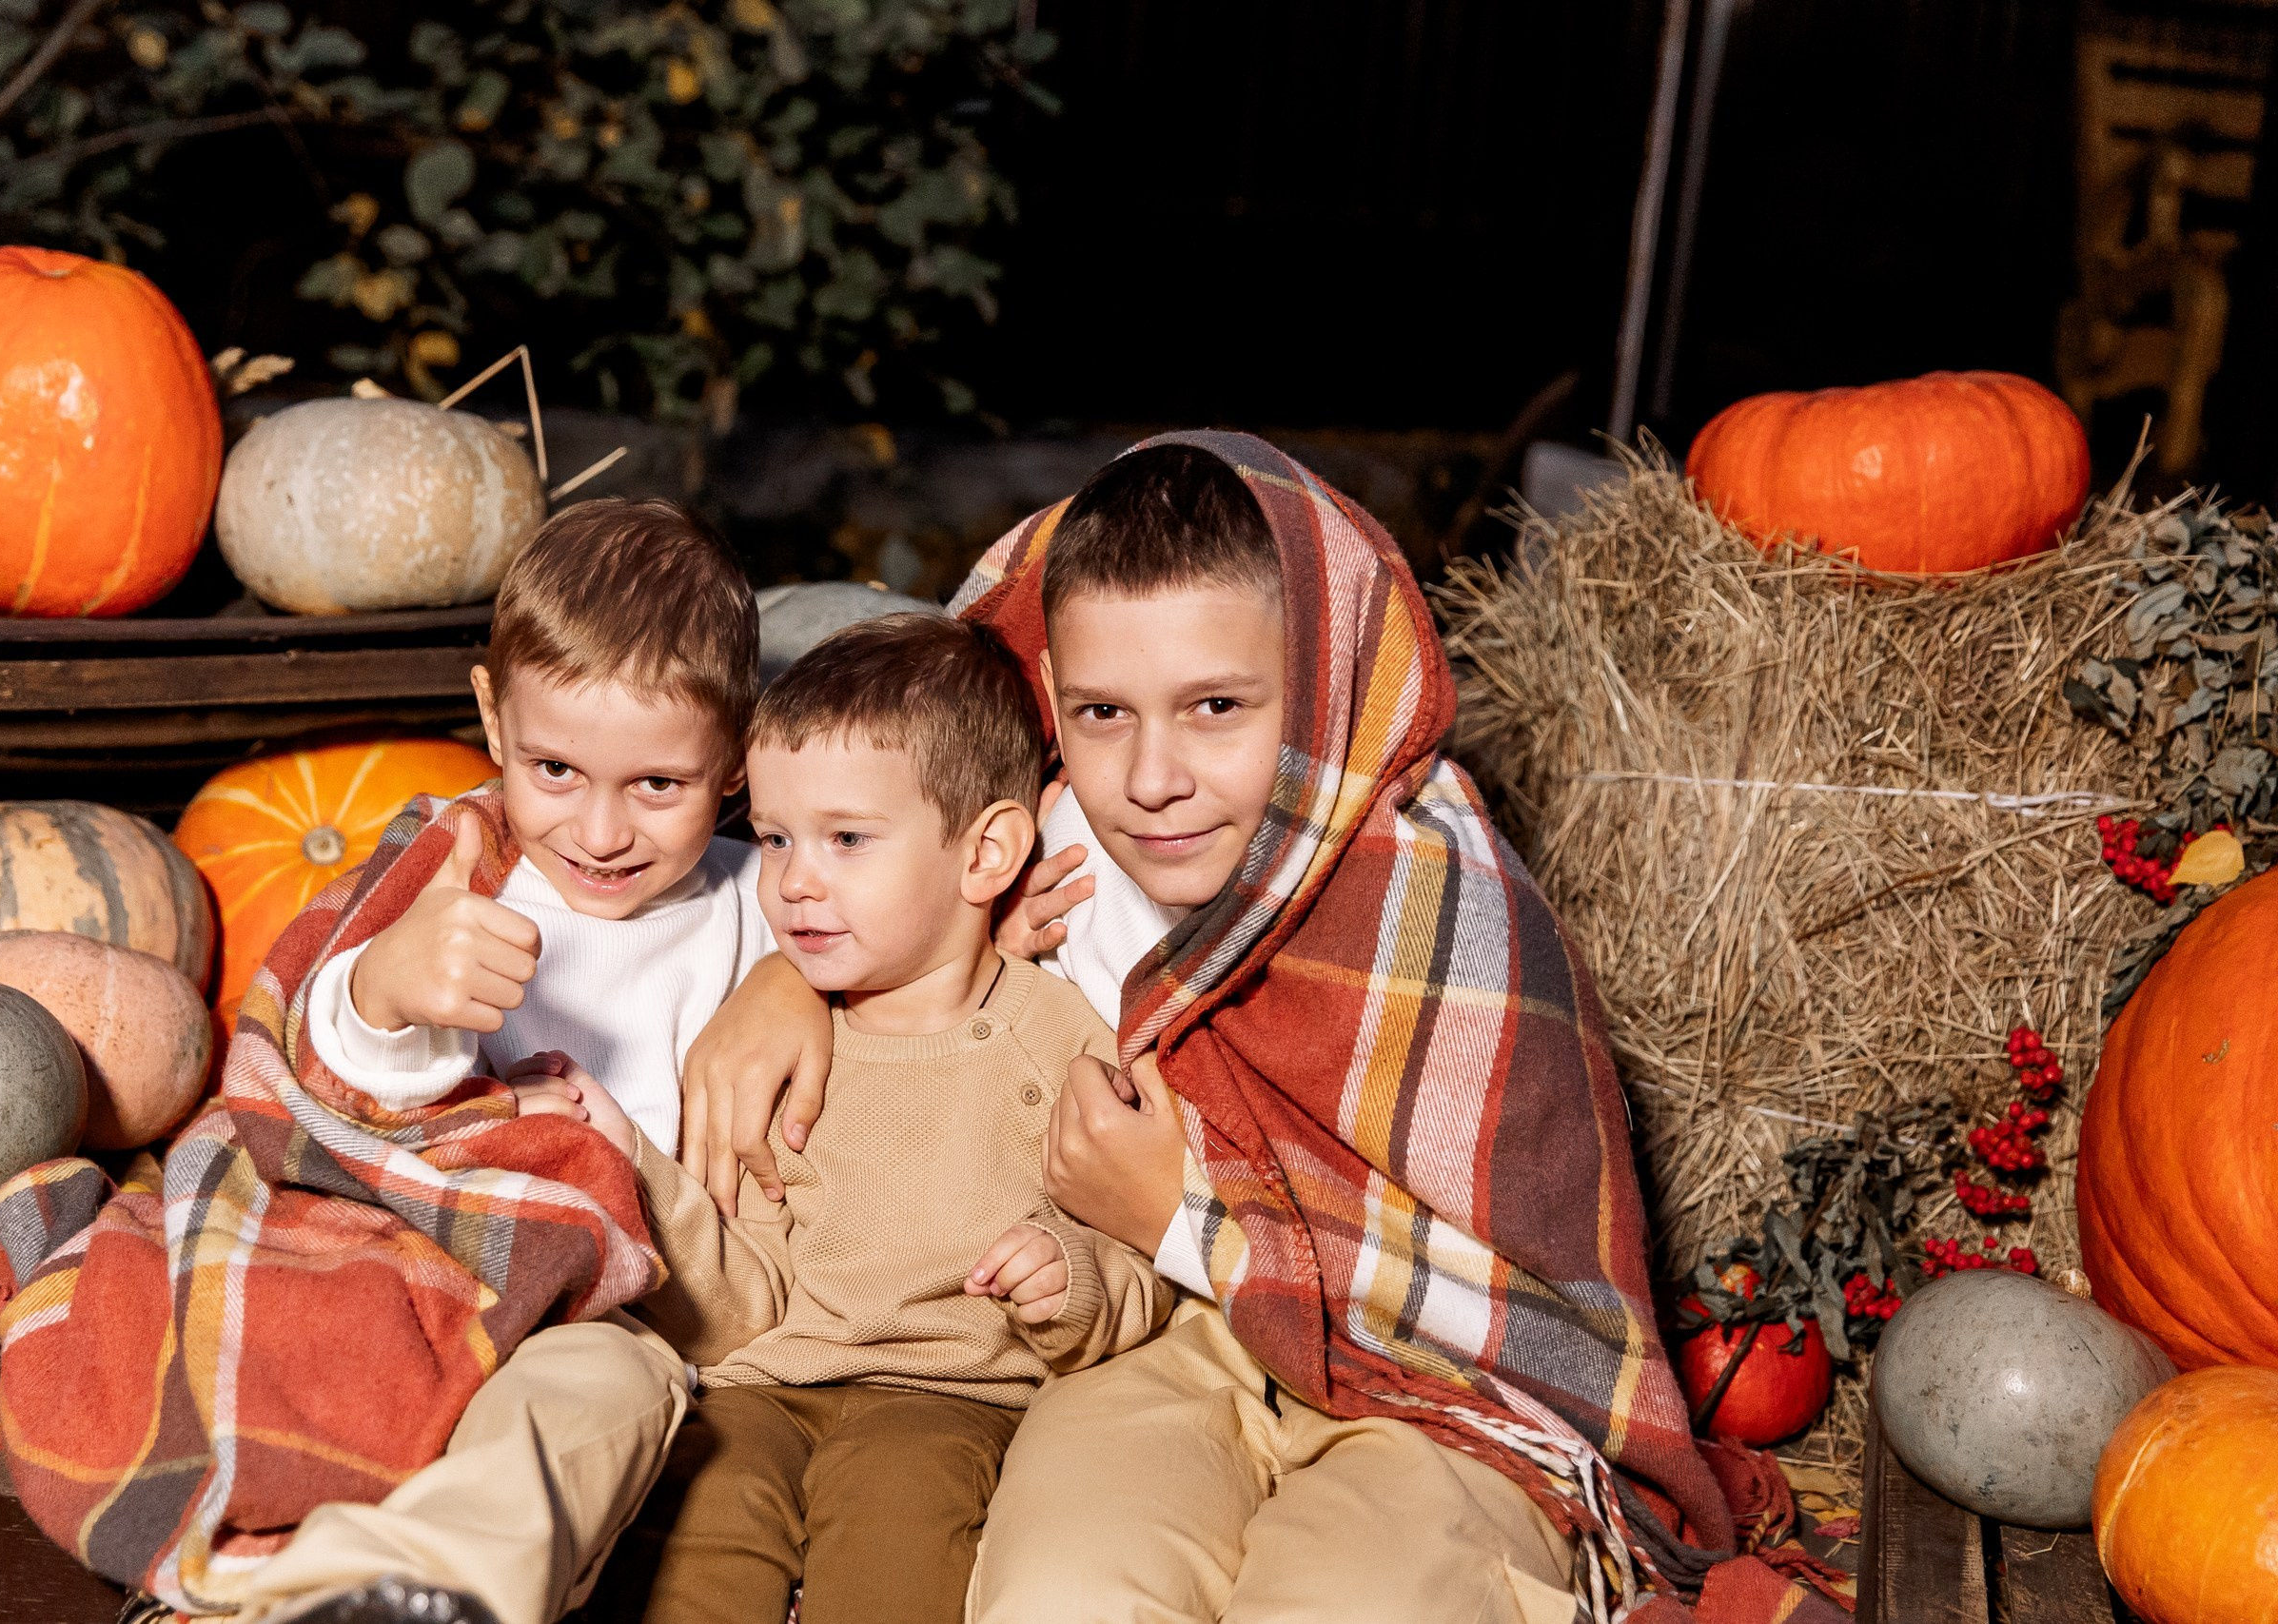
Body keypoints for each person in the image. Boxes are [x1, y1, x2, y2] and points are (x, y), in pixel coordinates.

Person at [679, 436, 1737, 1623]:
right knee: (1055, 1597)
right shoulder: (1049, 846)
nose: (1151, 777)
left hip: (1436, 1399)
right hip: (1163, 1348)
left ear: (1326, 690)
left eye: (1217, 707)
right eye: (1099, 713)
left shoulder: (1439, 912)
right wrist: (785, 982)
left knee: (1349, 1605)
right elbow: (876, 853)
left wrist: (1170, 1213)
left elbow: (1513, 1301)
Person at [225, 497, 776, 1624]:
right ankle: (254, 1582)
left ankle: (431, 1594)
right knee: (302, 1341)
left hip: (604, 1301)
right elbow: (319, 1067)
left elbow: (909, 935)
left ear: (736, 754)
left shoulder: (761, 903)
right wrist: (383, 990)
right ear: (491, 716)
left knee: (591, 1398)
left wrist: (789, 989)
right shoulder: (458, 869)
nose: (603, 831)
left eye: (658, 786)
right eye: (557, 770)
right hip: (424, 1259)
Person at [619, 612, 1170, 1624]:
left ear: (988, 852)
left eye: (846, 840)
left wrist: (1069, 1278)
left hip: (948, 1397)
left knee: (897, 1527)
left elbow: (1142, 1257)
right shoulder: (775, 1036)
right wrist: (624, 1168)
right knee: (695, 1512)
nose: (792, 882)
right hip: (762, 1382)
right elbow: (741, 1280)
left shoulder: (1057, 1037)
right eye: (776, 838)